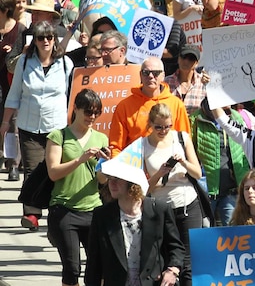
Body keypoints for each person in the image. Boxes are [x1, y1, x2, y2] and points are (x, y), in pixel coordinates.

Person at [2, 21, 73, 230]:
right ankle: (32, 212)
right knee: (32, 170)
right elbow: (14, 94)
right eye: (40, 37)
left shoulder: (66, 64)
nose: (45, 41)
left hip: (57, 126)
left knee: (53, 170)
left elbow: (73, 94)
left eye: (49, 37)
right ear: (35, 40)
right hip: (29, 126)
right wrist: (5, 123)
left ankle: (55, 212)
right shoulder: (24, 62)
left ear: (54, 40)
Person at [84, 158, 185, 286]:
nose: (112, 183)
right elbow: (94, 261)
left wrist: (173, 271)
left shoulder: (159, 209)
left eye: (117, 179)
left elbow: (176, 247)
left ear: (133, 184)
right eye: (110, 179)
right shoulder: (102, 215)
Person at [46, 89, 110, 286]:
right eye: (88, 112)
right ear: (76, 109)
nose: (92, 117)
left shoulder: (101, 138)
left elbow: (102, 180)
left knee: (98, 267)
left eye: (96, 113)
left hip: (92, 209)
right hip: (64, 209)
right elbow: (54, 172)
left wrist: (105, 165)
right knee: (72, 268)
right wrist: (80, 159)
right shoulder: (58, 136)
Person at [142, 104, 203, 286]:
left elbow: (197, 173)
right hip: (160, 208)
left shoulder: (181, 138)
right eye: (158, 127)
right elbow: (143, 188)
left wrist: (183, 162)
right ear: (150, 124)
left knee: (189, 263)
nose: (163, 131)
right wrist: (160, 173)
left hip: (187, 204)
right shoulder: (143, 145)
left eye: (168, 126)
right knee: (165, 261)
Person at [109, 56, 191, 157]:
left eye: (156, 73)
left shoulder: (177, 104)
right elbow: (116, 146)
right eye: (146, 73)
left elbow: (185, 142)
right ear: (140, 75)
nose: (151, 76)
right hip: (135, 167)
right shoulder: (124, 106)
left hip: (169, 167)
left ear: (163, 76)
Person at [189, 98, 250, 228]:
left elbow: (243, 150)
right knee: (204, 231)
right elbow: (190, 151)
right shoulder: (196, 118)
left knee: (233, 231)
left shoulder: (236, 116)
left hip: (232, 190)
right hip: (206, 189)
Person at [164, 45, 208, 116]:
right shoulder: (165, 82)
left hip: (196, 125)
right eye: (183, 57)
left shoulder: (204, 83)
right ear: (178, 59)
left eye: (191, 58)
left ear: (197, 63)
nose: (186, 61)